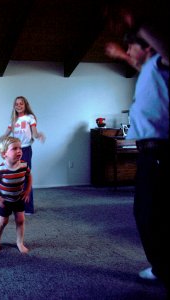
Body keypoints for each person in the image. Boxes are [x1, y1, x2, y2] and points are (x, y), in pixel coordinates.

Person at [105, 6, 169, 292]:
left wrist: (138, 23)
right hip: (148, 152)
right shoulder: (148, 70)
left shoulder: (161, 62)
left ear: (147, 48)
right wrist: (122, 55)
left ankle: (162, 269)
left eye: (131, 47)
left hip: (160, 151)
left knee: (151, 213)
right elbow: (142, 67)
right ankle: (160, 266)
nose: (127, 51)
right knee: (145, 212)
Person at [0, 96, 44, 215]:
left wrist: (39, 135)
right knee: (12, 176)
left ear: (25, 105)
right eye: (16, 104)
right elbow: (5, 136)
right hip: (13, 150)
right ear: (14, 106)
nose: (19, 106)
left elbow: (34, 133)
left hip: (25, 149)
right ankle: (9, 205)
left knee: (26, 176)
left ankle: (28, 208)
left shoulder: (30, 118)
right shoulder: (13, 121)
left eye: (21, 104)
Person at [0, 136, 32, 254]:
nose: (19, 151)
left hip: (18, 198)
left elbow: (29, 176)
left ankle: (19, 242)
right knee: (3, 222)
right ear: (4, 154)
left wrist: (27, 190)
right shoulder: (1, 169)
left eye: (20, 148)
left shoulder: (24, 165)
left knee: (20, 220)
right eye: (14, 149)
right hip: (5, 200)